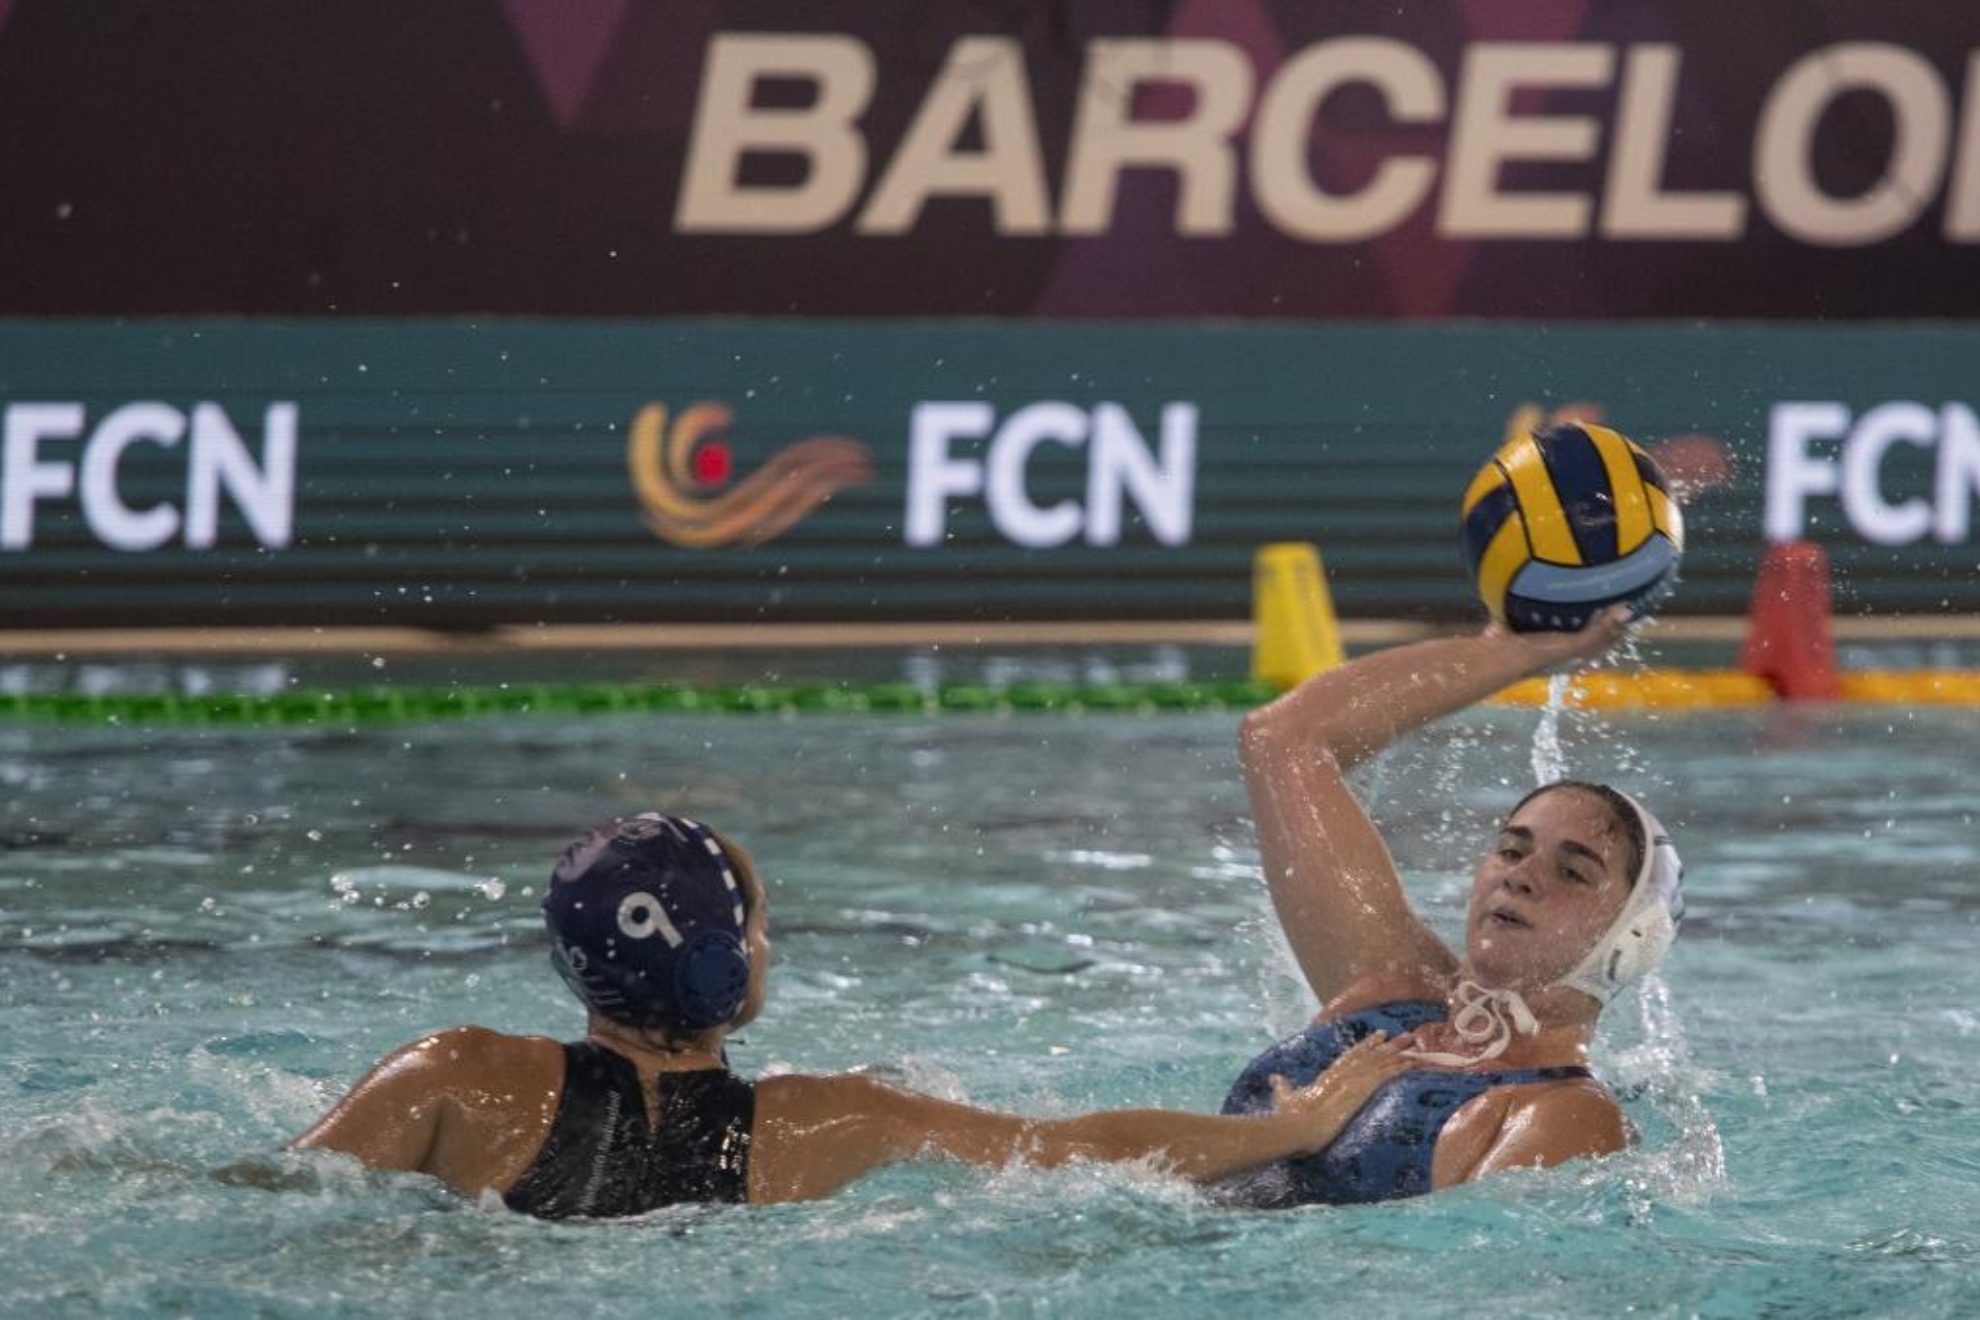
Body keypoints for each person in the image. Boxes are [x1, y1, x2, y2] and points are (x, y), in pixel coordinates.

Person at [294, 812, 1411, 1217]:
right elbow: (1074, 1154)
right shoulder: (828, 1123)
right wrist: (1290, 1131)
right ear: (733, 969)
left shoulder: (452, 1076)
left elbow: (274, 1196)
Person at [1217, 607, 1685, 1207]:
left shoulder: (1562, 1115)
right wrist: (1514, 650)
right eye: (1512, 850)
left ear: (1632, 938)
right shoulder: (1391, 986)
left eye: (1572, 871)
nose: (1520, 878)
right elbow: (1283, 739)